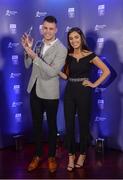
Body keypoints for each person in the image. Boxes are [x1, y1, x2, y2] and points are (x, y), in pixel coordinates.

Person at [60, 27, 110, 171]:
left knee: (83, 125)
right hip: (69, 91)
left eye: (76, 37)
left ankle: (82, 154)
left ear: (81, 38)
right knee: (69, 126)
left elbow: (106, 71)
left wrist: (94, 84)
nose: (74, 40)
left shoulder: (90, 55)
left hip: (84, 92)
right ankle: (71, 156)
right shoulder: (67, 56)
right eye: (71, 38)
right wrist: (55, 70)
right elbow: (66, 76)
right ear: (69, 41)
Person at [21, 16, 67, 173]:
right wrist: (27, 49)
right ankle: (37, 155)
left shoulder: (62, 49)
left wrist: (34, 57)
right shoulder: (38, 44)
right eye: (45, 28)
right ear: (42, 28)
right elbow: (28, 65)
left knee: (52, 126)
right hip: (34, 89)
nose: (48, 31)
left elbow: (52, 73)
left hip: (50, 92)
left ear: (56, 30)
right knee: (37, 125)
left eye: (51, 28)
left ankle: (52, 157)